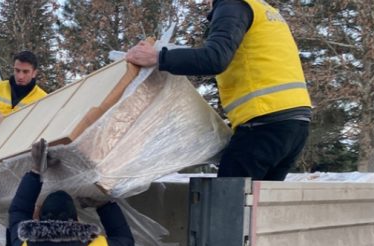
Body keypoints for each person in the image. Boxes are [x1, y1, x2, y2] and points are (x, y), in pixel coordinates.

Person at [125, 0, 312, 181]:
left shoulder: (233, 5)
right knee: (255, 208)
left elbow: (215, 58)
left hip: (263, 124)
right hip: (295, 124)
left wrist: (158, 58)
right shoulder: (263, 10)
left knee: (226, 205)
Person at [0, 50, 48, 133]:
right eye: (17, 70)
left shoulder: (43, 98)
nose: (20, 76)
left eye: (25, 72)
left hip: (23, 145)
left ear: (34, 73)